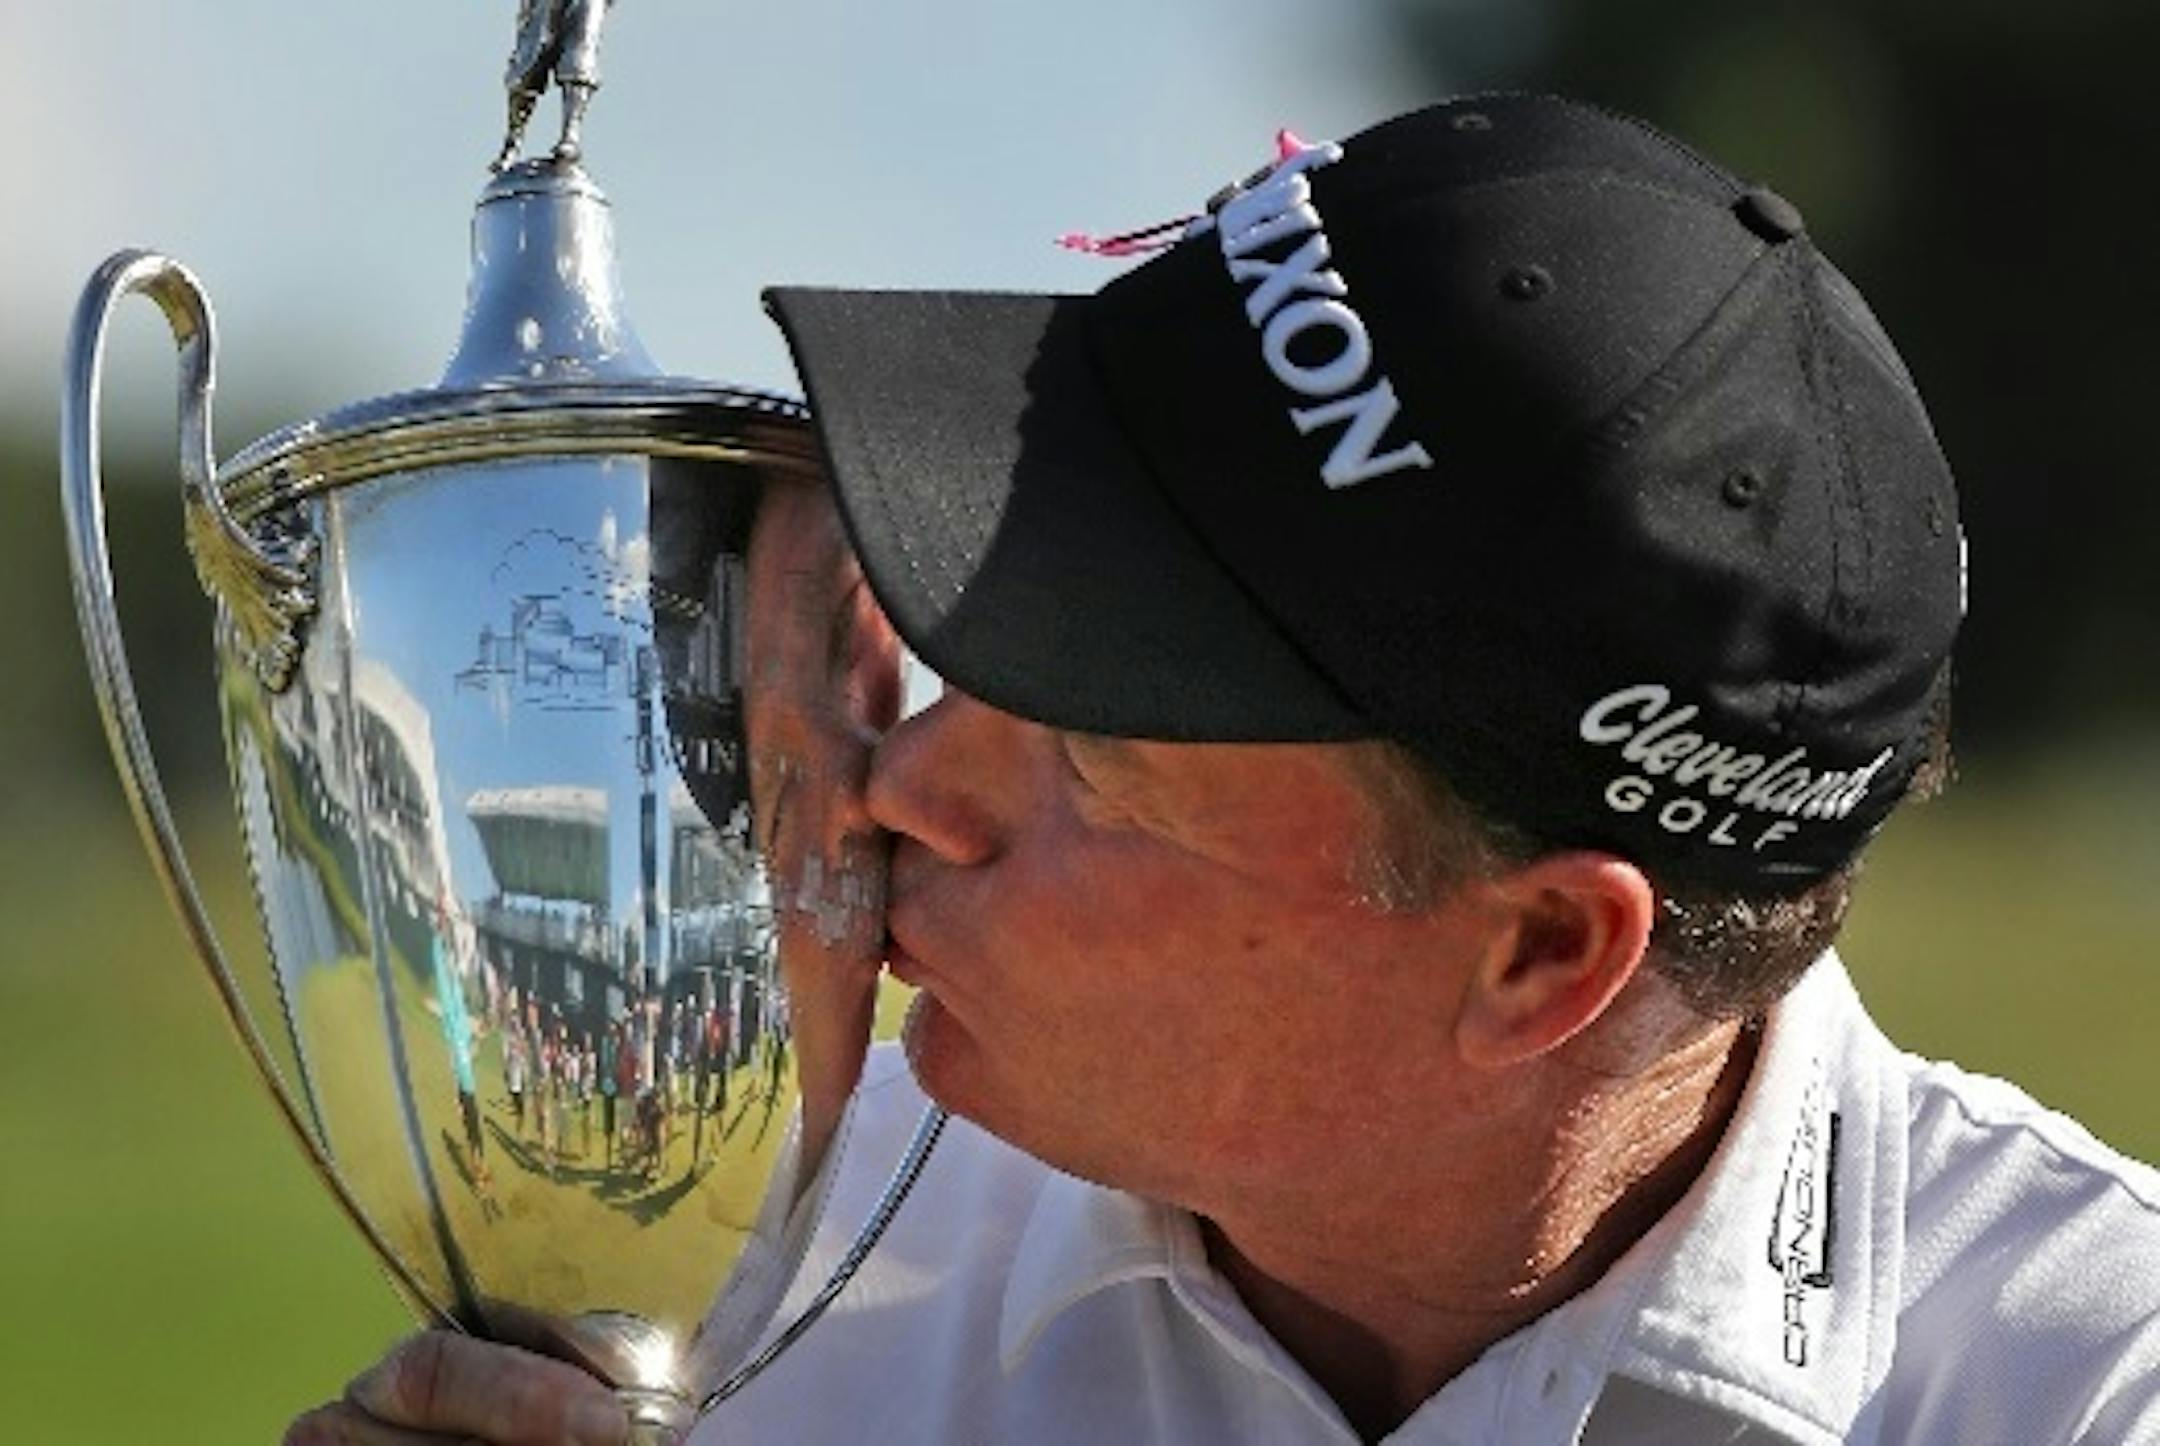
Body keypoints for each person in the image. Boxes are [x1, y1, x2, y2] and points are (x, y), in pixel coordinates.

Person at [285, 94, 2160, 1446]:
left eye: (1103, 751)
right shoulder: (737, 1287)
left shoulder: (2087, 1386)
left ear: (1538, 957)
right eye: (992, 639)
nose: (909, 780)